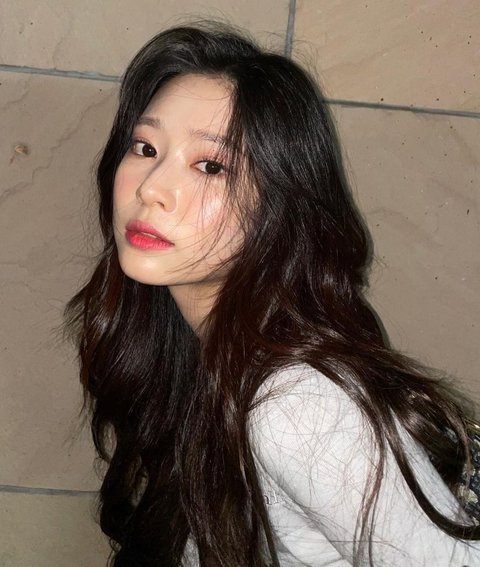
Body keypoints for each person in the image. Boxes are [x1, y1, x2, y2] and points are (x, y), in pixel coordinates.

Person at [65, 21, 480, 566]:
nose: (151, 188)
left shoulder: (295, 404)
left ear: (279, 206)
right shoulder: (193, 353)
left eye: (210, 166)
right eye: (145, 147)